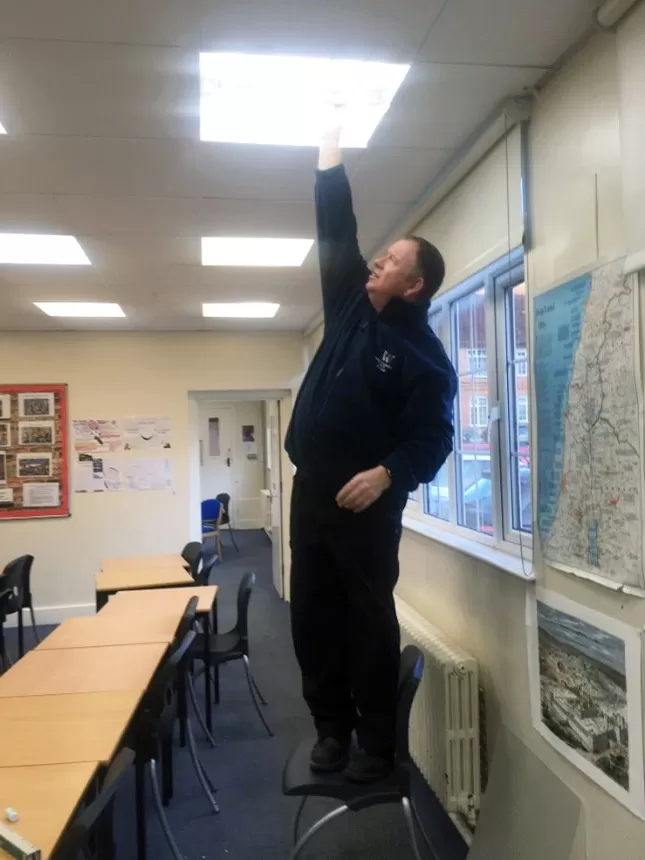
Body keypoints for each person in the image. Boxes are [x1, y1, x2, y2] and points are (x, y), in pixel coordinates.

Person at [285, 112, 457, 784]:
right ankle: (330, 728)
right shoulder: (350, 306)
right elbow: (335, 227)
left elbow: (433, 440)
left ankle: (377, 743)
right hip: (310, 494)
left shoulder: (425, 358)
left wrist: (387, 473)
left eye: (390, 262)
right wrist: (328, 144)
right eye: (379, 257)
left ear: (413, 286)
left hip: (365, 508)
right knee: (311, 617)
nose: (376, 263)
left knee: (366, 623)